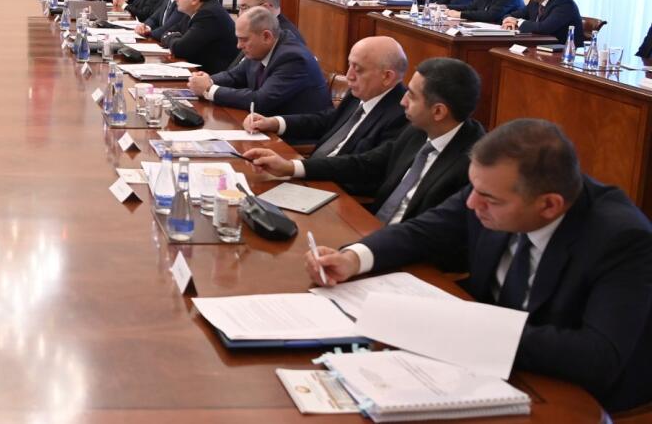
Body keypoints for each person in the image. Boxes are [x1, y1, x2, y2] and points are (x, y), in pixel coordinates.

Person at [305, 119, 652, 413]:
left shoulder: (622, 239)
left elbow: (597, 356)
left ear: (549, 206)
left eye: (488, 199)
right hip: (480, 370)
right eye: (473, 189)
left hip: (568, 395)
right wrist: (353, 258)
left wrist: (468, 330)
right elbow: (423, 231)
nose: (472, 203)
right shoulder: (490, 188)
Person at [248, 57, 484, 223]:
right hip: (371, 230)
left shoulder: (473, 164)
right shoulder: (419, 131)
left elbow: (435, 235)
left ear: (439, 111)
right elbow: (365, 163)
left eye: (412, 96)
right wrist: (290, 167)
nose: (403, 101)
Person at [244, 35, 408, 158]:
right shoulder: (360, 93)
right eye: (349, 65)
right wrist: (274, 123)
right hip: (314, 171)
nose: (349, 76)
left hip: (338, 187)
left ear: (387, 77)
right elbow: (327, 121)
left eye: (358, 69)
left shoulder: (401, 115)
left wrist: (296, 168)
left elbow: (364, 167)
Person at [187, 7, 330, 115]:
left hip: (291, 136)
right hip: (262, 124)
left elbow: (260, 101)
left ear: (266, 36)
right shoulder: (261, 49)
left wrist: (209, 90)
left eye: (244, 39)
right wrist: (207, 80)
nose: (238, 46)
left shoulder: (292, 58)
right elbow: (234, 76)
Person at [165, 0, 238, 74]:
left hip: (212, 76)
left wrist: (172, 37)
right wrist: (175, 37)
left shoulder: (208, 15)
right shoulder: (194, 10)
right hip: (198, 69)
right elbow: (167, 32)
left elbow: (180, 49)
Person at [501, 0, 584, 46]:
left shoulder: (564, 3)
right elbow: (512, 15)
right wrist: (508, 20)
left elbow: (544, 28)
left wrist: (517, 21)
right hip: (539, 45)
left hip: (564, 52)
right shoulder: (535, 1)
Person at [238, 0, 303, 45]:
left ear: (265, 8)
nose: (240, 14)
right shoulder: (265, 27)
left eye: (244, 7)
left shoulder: (285, 41)